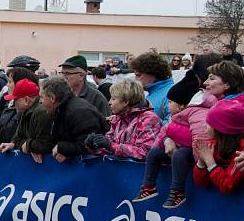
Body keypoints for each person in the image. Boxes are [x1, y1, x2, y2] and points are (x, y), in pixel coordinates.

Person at [133, 71, 212, 209]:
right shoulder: (175, 117)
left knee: (179, 155)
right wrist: (161, 144)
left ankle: (177, 191)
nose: (167, 105)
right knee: (155, 153)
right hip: (177, 150)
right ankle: (148, 186)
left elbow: (200, 136)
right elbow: (163, 133)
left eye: (170, 102)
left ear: (181, 105)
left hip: (194, 155)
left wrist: (200, 160)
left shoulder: (196, 112)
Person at [84, 79, 161, 160]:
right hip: (120, 170)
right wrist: (94, 146)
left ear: (125, 102)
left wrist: (111, 145)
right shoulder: (117, 119)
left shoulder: (148, 119)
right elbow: (109, 148)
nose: (109, 102)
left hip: (139, 171)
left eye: (113, 99)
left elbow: (145, 152)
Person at [40, 76, 109, 162]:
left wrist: (62, 148)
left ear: (52, 98)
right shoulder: (59, 110)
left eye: (42, 97)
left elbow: (89, 145)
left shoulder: (79, 112)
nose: (40, 101)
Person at [193, 100, 244, 194]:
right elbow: (201, 183)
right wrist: (202, 161)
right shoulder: (213, 144)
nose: (204, 126)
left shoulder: (241, 152)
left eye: (209, 123)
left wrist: (210, 161)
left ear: (221, 128)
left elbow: (226, 185)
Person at [0, 78, 54, 164]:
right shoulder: (25, 111)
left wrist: (28, 146)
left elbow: (44, 144)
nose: (13, 103)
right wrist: (13, 144)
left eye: (16, 100)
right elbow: (18, 137)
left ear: (26, 100)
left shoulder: (40, 113)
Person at [130, 52, 174, 122]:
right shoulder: (149, 93)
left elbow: (173, 125)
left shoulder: (171, 93)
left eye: (138, 75)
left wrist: (148, 121)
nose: (136, 79)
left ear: (153, 73)